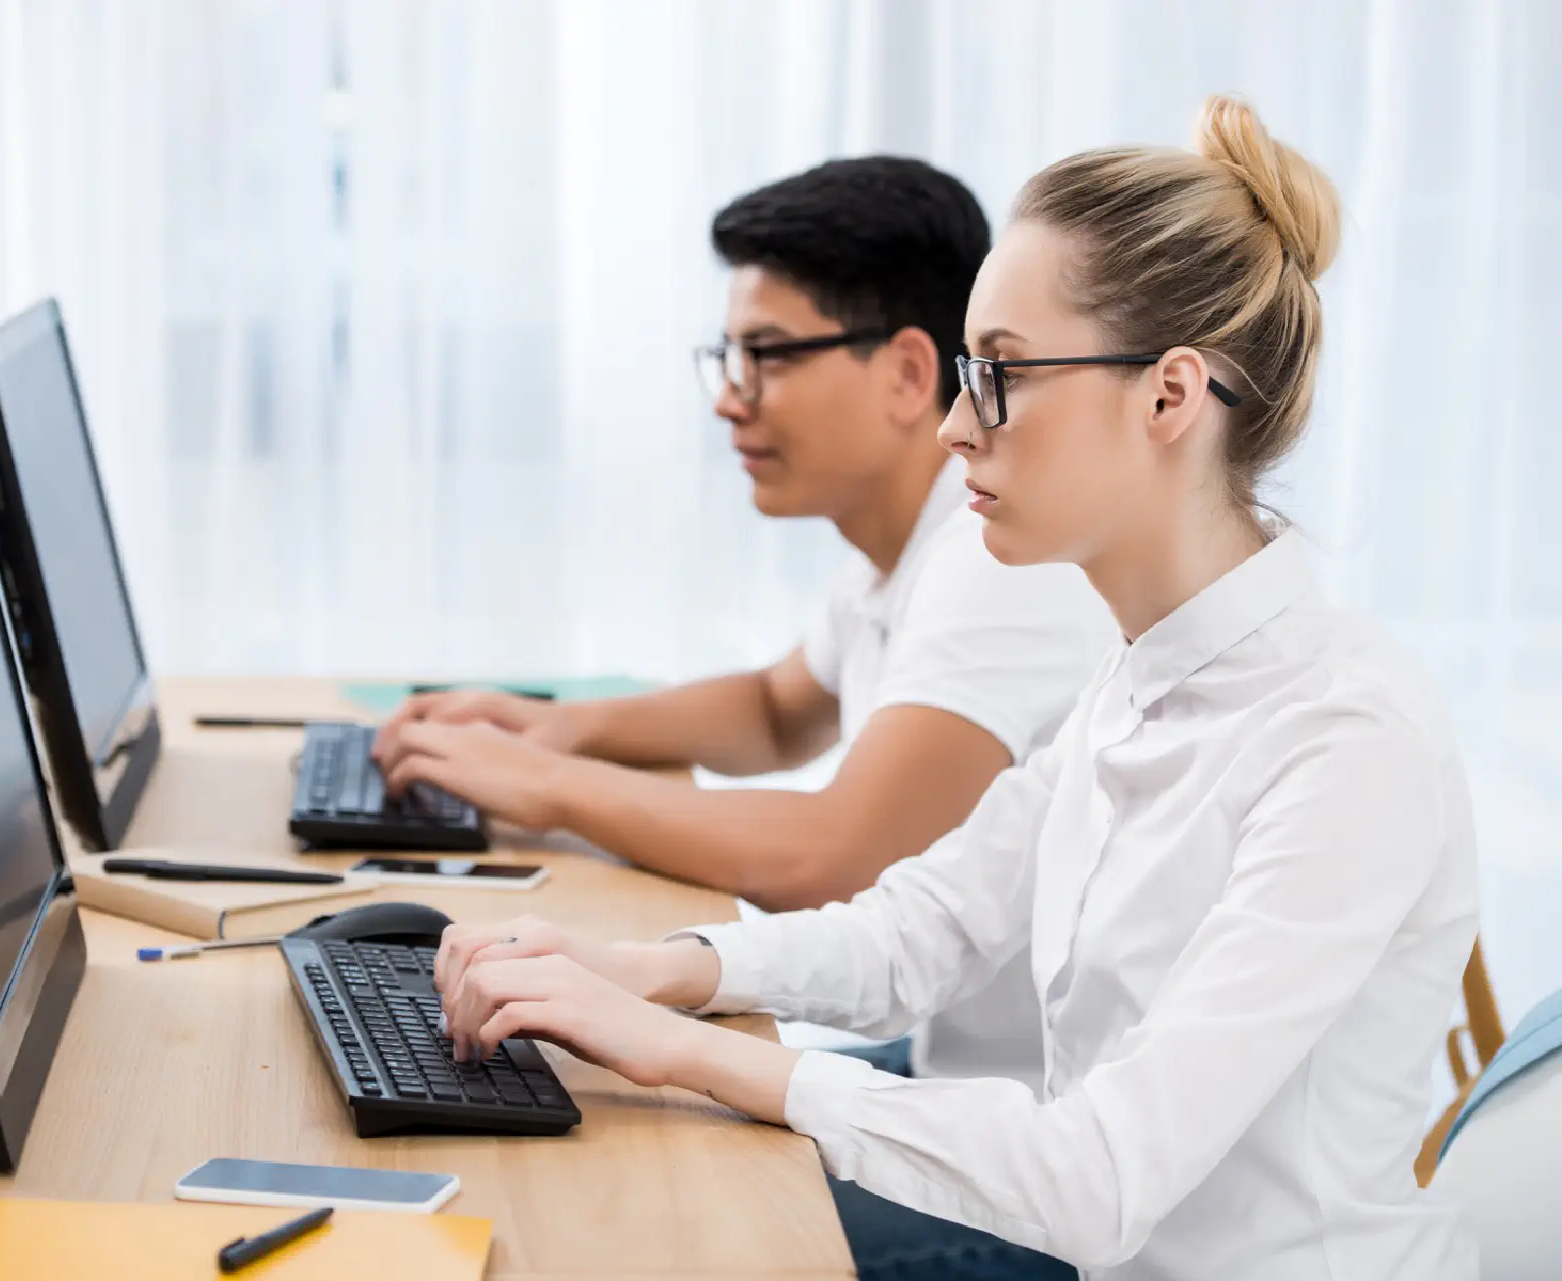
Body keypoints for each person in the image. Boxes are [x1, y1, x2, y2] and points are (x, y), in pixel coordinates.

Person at [424, 96, 1481, 1281]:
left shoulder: (1343, 737)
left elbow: (1101, 1178)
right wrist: (650, 969)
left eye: (1003, 377)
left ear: (1170, 398)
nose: (955, 430)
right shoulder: (1143, 677)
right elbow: (921, 930)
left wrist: (679, 1048)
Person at [373, 158, 1112, 1103]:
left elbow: (836, 855)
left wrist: (550, 786)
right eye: (729, 357)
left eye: (767, 356)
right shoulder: (906, 544)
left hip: (1039, 1123)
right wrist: (560, 727)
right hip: (960, 1066)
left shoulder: (993, 562)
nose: (730, 395)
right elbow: (775, 711)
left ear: (906, 373)